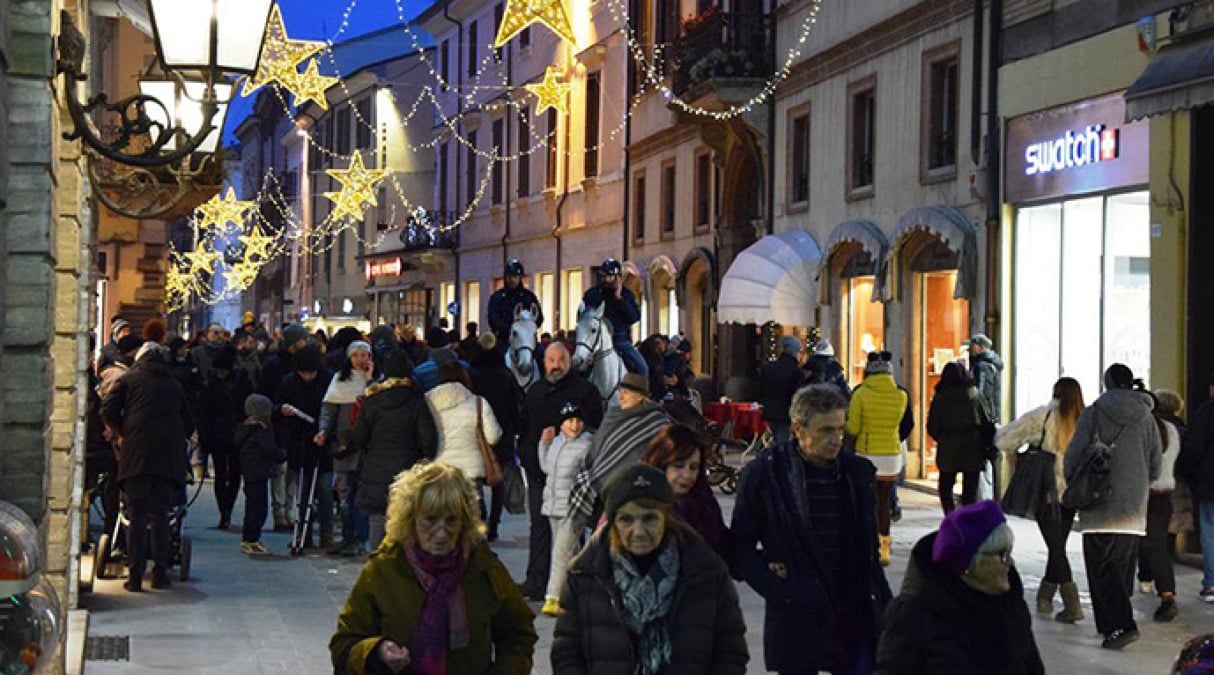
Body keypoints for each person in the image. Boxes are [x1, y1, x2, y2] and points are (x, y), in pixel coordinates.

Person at [733, 384, 891, 674]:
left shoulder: (856, 473)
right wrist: (779, 588)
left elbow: (867, 549)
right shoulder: (767, 473)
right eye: (826, 431)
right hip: (797, 611)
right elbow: (741, 547)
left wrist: (885, 603)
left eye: (840, 430)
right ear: (798, 429)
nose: (836, 440)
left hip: (851, 608)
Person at [330, 462, 538, 674]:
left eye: (451, 521)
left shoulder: (484, 568)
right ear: (411, 519)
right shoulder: (383, 570)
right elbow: (344, 645)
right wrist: (376, 652)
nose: (441, 533)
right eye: (430, 520)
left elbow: (519, 633)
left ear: (464, 521)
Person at [552, 464, 749, 675]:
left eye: (650, 518)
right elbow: (567, 654)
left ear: (666, 518)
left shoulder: (706, 573)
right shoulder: (584, 576)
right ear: (613, 522)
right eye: (626, 519)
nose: (638, 531)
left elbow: (730, 653)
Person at [875, 500, 1045, 674]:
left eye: (1009, 552)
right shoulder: (918, 613)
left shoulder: (1012, 606)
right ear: (970, 563)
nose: (1009, 563)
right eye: (1001, 554)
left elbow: (1032, 667)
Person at [549, 373, 671, 612]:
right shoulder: (613, 415)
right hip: (594, 486)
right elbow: (598, 450)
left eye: (627, 392)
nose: (621, 395)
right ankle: (555, 593)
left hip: (628, 493)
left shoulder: (657, 423)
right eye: (620, 391)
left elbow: (659, 456)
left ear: (642, 397)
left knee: (603, 547)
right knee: (567, 536)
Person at [1063, 363, 1162, 650]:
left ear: (1107, 383)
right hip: (1133, 507)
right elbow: (1155, 464)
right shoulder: (1148, 418)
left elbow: (1074, 455)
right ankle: (1112, 628)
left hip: (1100, 502)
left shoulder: (1094, 412)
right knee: (1119, 570)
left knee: (1101, 569)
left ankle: (1122, 625)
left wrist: (1074, 479)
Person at [100, 342, 194, 592]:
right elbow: (189, 422)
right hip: (167, 459)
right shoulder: (174, 385)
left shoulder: (129, 380)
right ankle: (160, 573)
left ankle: (134, 575)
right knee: (161, 514)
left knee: (137, 515)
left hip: (137, 456)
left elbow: (107, 408)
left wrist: (123, 431)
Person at [517, 343, 604, 601]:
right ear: (543, 362)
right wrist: (527, 454)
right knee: (539, 526)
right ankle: (536, 580)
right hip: (539, 472)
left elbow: (594, 428)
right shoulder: (536, 390)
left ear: (569, 361)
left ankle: (575, 584)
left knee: (572, 532)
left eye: (561, 360)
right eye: (550, 360)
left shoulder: (585, 391)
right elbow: (525, 425)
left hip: (572, 476)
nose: (555, 365)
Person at [994, 376, 1086, 622]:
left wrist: (1016, 452)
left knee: (1056, 548)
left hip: (1047, 492)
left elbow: (1005, 438)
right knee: (1057, 545)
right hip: (1074, 492)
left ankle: (1072, 604)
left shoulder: (1044, 416)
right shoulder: (1087, 419)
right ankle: (1045, 596)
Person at [351, 348, 439, 550]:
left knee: (376, 519)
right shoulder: (416, 401)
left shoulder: (372, 400)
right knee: (404, 521)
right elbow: (428, 440)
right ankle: (399, 567)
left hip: (375, 467)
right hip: (407, 469)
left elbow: (359, 437)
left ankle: (376, 565)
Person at [847, 350, 909, 566]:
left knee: (866, 502)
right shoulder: (901, 395)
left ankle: (868, 546)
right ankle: (885, 548)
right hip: (891, 454)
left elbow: (853, 428)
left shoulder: (860, 393)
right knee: (884, 503)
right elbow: (902, 425)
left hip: (867, 453)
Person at [640, 424, 730, 565]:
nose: (687, 475)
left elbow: (725, 551)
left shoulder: (705, 505)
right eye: (678, 466)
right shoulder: (634, 507)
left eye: (693, 467)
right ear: (661, 464)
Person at [274, 345, 335, 549]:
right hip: (298, 443)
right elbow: (277, 407)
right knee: (302, 491)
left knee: (325, 491)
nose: (307, 377)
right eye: (303, 373)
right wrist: (282, 410)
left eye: (311, 373)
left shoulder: (329, 380)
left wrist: (326, 432)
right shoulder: (289, 382)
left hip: (323, 443)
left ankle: (326, 533)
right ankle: (303, 533)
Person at [316, 340, 374, 557]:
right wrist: (323, 430)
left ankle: (360, 537)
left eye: (364, 354)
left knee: (362, 493)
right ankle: (348, 536)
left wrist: (369, 382)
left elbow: (374, 406)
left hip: (366, 446)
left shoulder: (375, 381)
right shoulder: (339, 381)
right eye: (356, 355)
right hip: (344, 445)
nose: (361, 359)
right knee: (346, 494)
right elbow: (329, 409)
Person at [425, 361, 503, 518]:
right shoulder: (478, 402)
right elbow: (493, 436)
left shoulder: (427, 401)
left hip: (439, 469)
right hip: (471, 472)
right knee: (473, 523)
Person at [538, 402, 594, 615]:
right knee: (570, 553)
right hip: (553, 506)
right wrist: (543, 444)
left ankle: (553, 597)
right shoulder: (556, 443)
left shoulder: (587, 445)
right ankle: (580, 592)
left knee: (561, 552)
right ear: (561, 423)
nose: (575, 425)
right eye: (570, 420)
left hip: (574, 507)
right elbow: (545, 467)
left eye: (578, 420)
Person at [468, 332, 521, 541]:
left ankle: (481, 518)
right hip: (502, 433)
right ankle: (494, 524)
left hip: (477, 434)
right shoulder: (505, 375)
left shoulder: (472, 374)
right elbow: (515, 406)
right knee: (498, 480)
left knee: (478, 479)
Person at [1138, 389, 1183, 622]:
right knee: (1157, 546)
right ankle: (1167, 594)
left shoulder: (1142, 429)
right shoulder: (1171, 430)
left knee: (1132, 544)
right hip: (1164, 495)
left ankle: (1139, 582)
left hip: (1141, 494)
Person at [195, 347, 252, 530]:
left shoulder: (240, 382)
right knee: (221, 473)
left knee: (234, 473)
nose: (220, 373)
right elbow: (202, 411)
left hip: (235, 433)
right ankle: (224, 512)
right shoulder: (210, 385)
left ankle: (228, 507)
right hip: (217, 433)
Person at [926, 362, 987, 515]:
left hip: (949, 444)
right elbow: (986, 421)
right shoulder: (975, 395)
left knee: (946, 485)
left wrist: (942, 438)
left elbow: (932, 425)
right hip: (973, 445)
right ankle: (967, 519)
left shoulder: (941, 397)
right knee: (970, 489)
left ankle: (950, 515)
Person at [1178, 372, 1214, 604]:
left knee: (1210, 533)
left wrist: (1189, 475)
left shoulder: (1206, 412)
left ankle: (1211, 584)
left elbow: (1193, 449)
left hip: (1209, 483)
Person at [236, 394, 286, 556]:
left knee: (252, 506)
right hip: (259, 471)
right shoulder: (261, 429)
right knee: (259, 508)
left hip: (250, 472)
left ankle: (250, 539)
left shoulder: (244, 428)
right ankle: (251, 540)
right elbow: (269, 449)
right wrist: (283, 455)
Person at [581, 258, 646, 375]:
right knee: (577, 366)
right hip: (593, 340)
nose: (605, 279)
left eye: (609, 276)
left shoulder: (626, 295)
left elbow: (634, 317)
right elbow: (582, 317)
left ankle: (643, 392)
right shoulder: (592, 294)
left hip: (619, 339)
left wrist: (620, 299)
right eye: (603, 276)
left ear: (618, 278)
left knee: (642, 367)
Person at [488, 258, 544, 349]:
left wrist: (527, 327)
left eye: (515, 276)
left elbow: (539, 317)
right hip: (504, 339)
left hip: (526, 340)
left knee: (542, 355)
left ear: (520, 277)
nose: (512, 279)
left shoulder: (529, 297)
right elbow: (493, 318)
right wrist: (510, 328)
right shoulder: (497, 297)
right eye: (510, 276)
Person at [760, 335, 806, 444]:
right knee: (783, 444)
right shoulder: (796, 372)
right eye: (800, 352)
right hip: (787, 415)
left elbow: (760, 389)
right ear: (795, 353)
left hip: (770, 413)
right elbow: (798, 395)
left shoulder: (769, 368)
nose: (800, 356)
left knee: (774, 441)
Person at [966, 334, 1004, 421]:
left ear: (981, 347)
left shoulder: (983, 367)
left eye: (972, 345)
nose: (970, 348)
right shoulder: (985, 364)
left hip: (986, 417)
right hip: (989, 415)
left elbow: (983, 393)